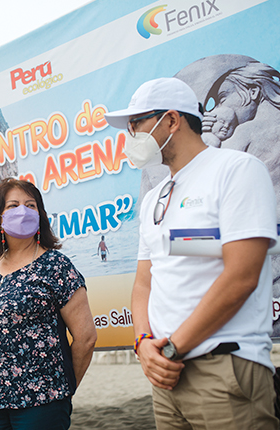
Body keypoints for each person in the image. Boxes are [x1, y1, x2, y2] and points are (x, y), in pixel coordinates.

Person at [104, 77, 278, 428]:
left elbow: (241, 276)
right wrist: (143, 344)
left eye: (137, 123)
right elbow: (143, 282)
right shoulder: (155, 197)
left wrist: (171, 349)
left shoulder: (236, 170)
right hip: (166, 379)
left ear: (171, 120)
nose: (132, 134)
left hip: (223, 371)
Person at [0, 178, 97, 430]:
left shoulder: (56, 266)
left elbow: (86, 338)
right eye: (13, 205)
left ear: (40, 217)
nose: (22, 211)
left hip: (41, 402)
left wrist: (64, 389)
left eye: (30, 205)